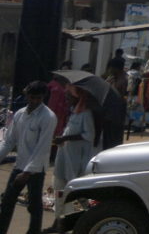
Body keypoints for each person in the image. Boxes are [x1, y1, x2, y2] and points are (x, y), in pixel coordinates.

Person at [0, 81, 58, 234]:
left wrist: (27, 172)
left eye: (38, 98)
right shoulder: (20, 114)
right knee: (7, 202)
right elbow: (9, 141)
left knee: (34, 206)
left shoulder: (48, 117)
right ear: (26, 95)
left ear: (43, 97)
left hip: (36, 169)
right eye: (32, 97)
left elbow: (43, 148)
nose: (34, 101)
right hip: (19, 165)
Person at [44, 86, 99, 233]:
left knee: (74, 193)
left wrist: (66, 138)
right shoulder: (74, 113)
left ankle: (76, 222)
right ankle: (59, 223)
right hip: (64, 157)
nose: (67, 100)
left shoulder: (85, 114)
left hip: (75, 161)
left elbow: (89, 135)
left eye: (69, 97)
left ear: (77, 97)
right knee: (59, 191)